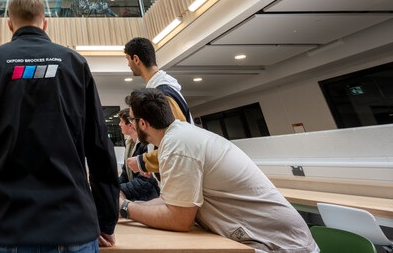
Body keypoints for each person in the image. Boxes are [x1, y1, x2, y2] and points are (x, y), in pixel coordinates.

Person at [0, 0, 119, 251]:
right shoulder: (74, 63)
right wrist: (106, 220)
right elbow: (100, 148)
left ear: (10, 24)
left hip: (6, 227)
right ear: (45, 22)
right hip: (73, 226)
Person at [120, 88, 318, 253]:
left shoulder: (178, 145)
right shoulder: (178, 137)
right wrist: (129, 205)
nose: (130, 124)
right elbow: (172, 200)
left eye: (131, 119)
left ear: (143, 123)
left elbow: (179, 220)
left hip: (281, 246)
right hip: (267, 240)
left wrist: (125, 208)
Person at [124, 36, 192, 176]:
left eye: (128, 59)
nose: (128, 64)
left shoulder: (163, 93)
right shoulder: (161, 88)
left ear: (136, 59)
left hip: (180, 175)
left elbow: (180, 142)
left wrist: (144, 162)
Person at [118, 108, 159, 201]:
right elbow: (125, 175)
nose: (119, 124)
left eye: (121, 122)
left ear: (130, 125)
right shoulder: (129, 144)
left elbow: (145, 181)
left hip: (147, 199)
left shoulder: (147, 145)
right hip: (135, 195)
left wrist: (117, 189)